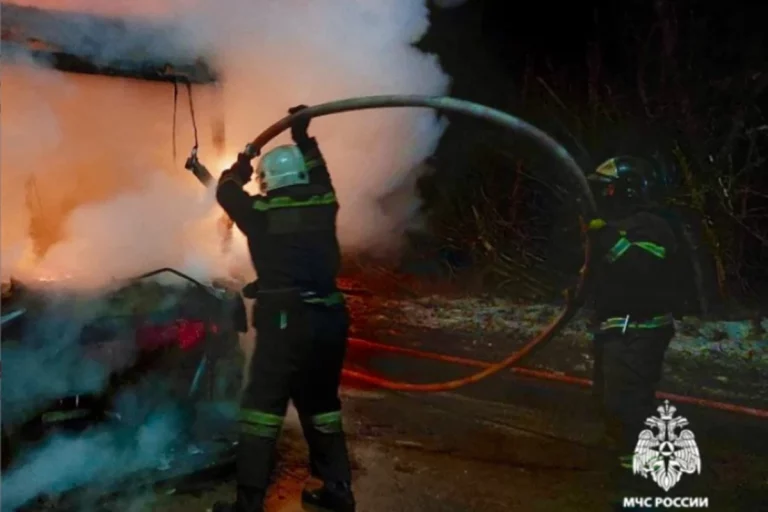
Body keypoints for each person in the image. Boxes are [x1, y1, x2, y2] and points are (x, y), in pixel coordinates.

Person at [212, 105, 355, 512]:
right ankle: (338, 492)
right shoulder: (324, 201)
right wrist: (302, 134)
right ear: (302, 176)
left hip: (285, 322)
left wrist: (240, 164)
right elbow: (319, 171)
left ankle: (248, 505)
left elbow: (225, 189)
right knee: (322, 406)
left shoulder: (262, 212)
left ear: (268, 181)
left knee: (262, 409)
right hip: (329, 318)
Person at [577, 156, 692, 509]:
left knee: (629, 404)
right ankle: (623, 464)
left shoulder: (651, 226)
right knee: (609, 401)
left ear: (625, 190)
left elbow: (638, 268)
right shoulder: (618, 225)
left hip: (641, 332)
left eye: (606, 188)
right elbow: (604, 275)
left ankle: (646, 485)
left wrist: (605, 236)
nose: (602, 195)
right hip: (616, 331)